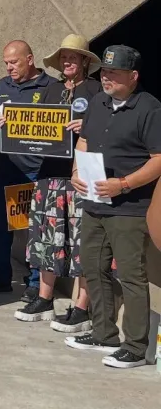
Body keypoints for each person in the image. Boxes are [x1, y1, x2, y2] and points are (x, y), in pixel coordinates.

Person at [66, 45, 161, 369]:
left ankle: (135, 347)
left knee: (132, 277)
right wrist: (76, 171)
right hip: (94, 200)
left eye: (114, 73)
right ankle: (104, 332)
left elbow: (159, 159)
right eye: (104, 72)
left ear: (132, 77)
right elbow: (85, 141)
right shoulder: (97, 102)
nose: (106, 78)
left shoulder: (149, 108)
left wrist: (123, 184)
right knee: (93, 266)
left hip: (129, 206)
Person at [12, 35, 100, 332]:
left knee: (80, 241)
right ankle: (44, 299)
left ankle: (81, 307)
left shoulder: (97, 91)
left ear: (86, 61)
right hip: (49, 173)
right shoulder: (51, 89)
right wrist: (10, 125)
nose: (67, 62)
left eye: (73, 58)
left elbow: (108, 130)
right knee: (46, 238)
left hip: (80, 175)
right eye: (64, 58)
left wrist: (86, 126)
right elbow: (34, 124)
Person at [0, 40, 51, 300]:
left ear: (29, 59)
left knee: (32, 228)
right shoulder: (1, 86)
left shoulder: (50, 88)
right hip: (0, 169)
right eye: (6, 63)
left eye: (14, 62)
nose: (9, 68)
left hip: (32, 171)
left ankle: (34, 281)